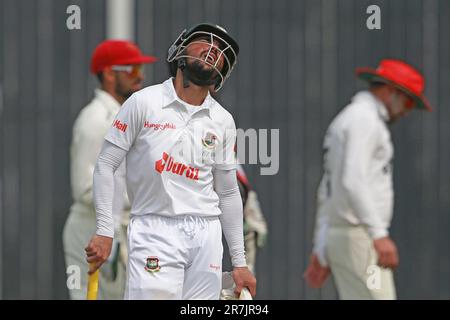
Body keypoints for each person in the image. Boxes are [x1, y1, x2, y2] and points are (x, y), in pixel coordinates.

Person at [85, 23, 257, 300]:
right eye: (203, 42)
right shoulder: (143, 103)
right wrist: (105, 231)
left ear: (221, 74)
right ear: (179, 51)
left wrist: (239, 262)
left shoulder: (223, 120)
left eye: (219, 51)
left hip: (206, 235)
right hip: (155, 228)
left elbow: (227, 192)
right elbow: (106, 164)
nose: (211, 51)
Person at [304, 59, 432, 299]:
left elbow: (328, 187)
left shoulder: (349, 118)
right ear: (390, 91)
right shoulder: (365, 120)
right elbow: (352, 180)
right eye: (407, 101)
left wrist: (321, 245)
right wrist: (378, 234)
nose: (406, 111)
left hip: (344, 234)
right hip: (359, 238)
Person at [63, 40, 157, 299]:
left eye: (141, 70)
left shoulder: (124, 116)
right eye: (132, 70)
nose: (140, 78)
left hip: (119, 229)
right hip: (91, 229)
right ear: (108, 74)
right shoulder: (95, 120)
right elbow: (84, 187)